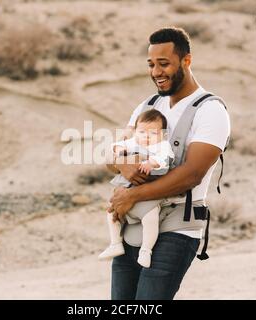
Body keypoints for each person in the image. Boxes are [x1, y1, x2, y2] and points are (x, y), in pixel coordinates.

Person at [106, 27, 231, 300]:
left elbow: (192, 174)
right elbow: (113, 155)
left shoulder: (211, 110)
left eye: (164, 63)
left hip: (178, 225)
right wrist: (121, 163)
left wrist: (132, 194)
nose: (156, 72)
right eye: (151, 64)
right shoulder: (148, 106)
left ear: (186, 60)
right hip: (134, 220)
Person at [98, 109, 175, 268]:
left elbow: (165, 159)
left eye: (153, 133)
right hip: (125, 189)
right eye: (141, 132)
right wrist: (119, 152)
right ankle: (115, 243)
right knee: (112, 213)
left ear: (163, 134)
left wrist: (151, 163)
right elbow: (117, 145)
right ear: (136, 131)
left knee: (150, 218)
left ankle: (146, 250)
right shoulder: (133, 141)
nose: (146, 136)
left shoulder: (162, 146)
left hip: (148, 192)